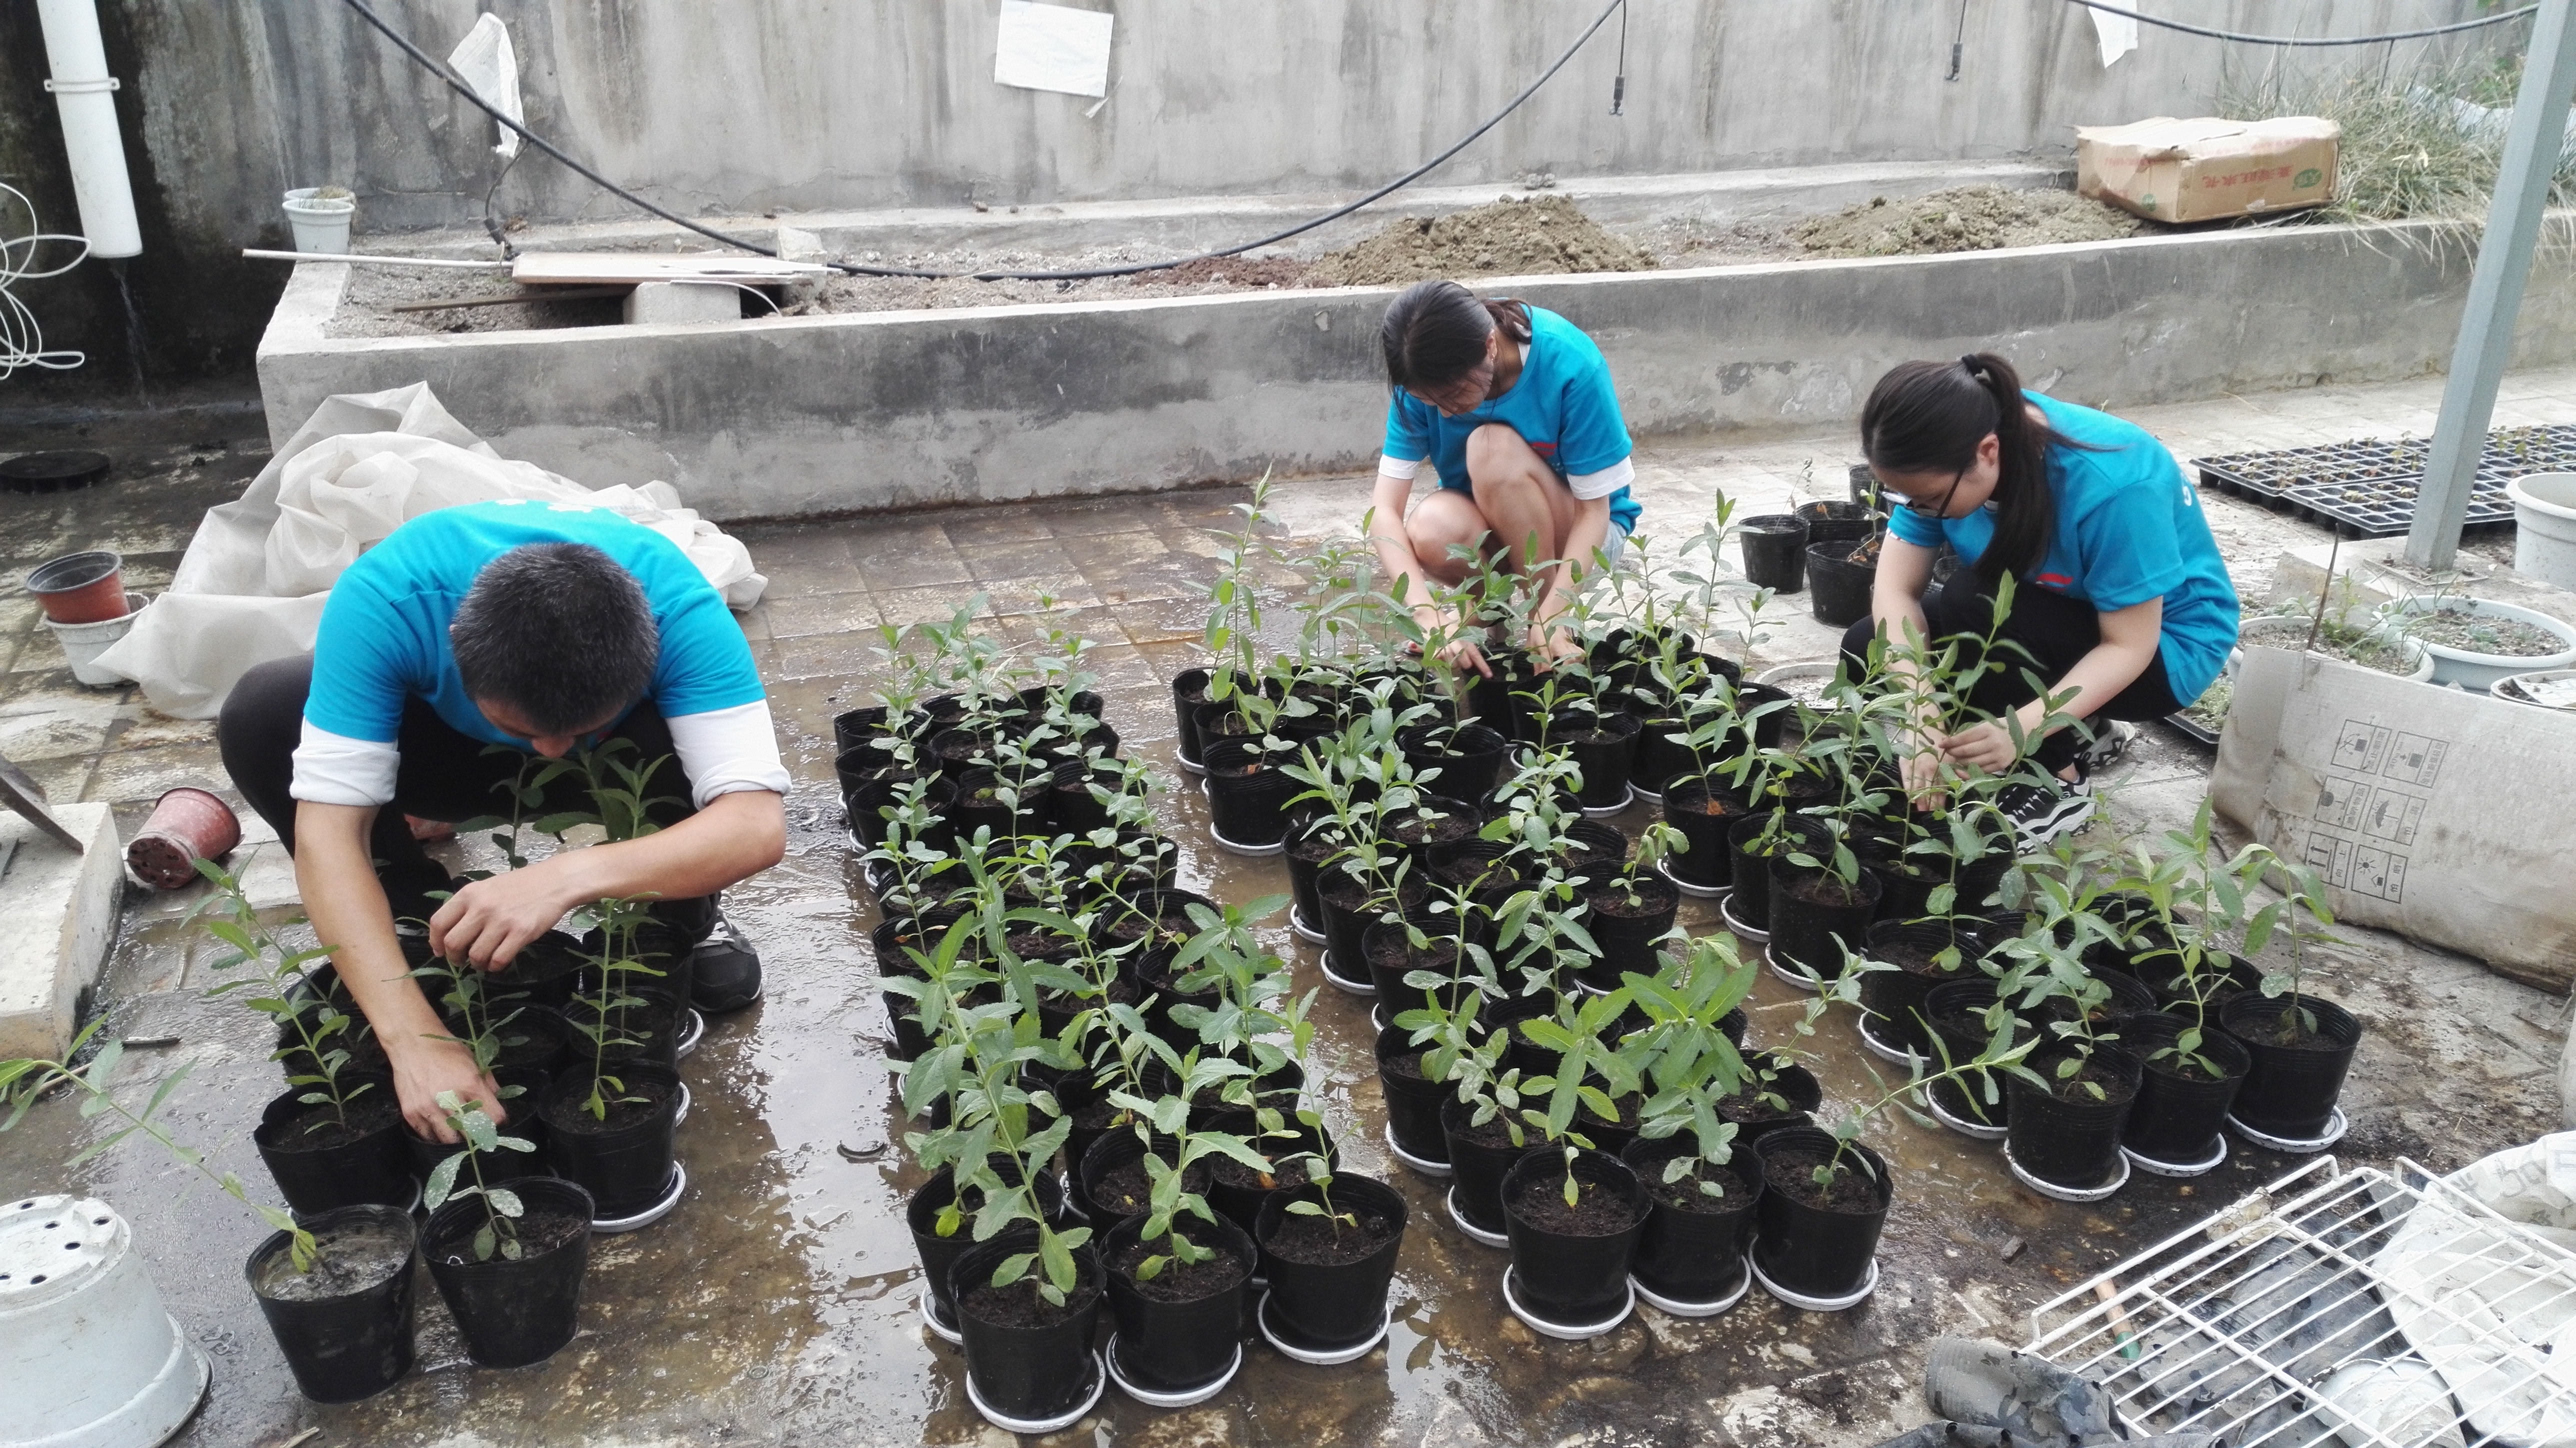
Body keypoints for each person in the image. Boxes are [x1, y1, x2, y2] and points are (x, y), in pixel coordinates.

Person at [218, 499, 789, 1142]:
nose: (550, 751)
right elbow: (327, 835)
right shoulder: (390, 597)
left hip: (613, 766)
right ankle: (411, 928)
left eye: (578, 728)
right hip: (452, 755)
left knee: (683, 751)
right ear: (453, 647)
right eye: (523, 728)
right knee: (265, 712)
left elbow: (755, 825)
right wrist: (414, 1040)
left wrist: (563, 878)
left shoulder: (678, 607)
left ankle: (679, 928)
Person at [1842, 352, 2239, 848]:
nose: (1920, 510)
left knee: (1976, 601)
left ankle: (2058, 781)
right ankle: (2082, 726)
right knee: (1866, 644)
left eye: (1929, 500)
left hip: (2162, 652)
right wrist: (1918, 709)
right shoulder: (1953, 441)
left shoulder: (2113, 486)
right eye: (1907, 499)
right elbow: (1895, 591)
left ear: (1988, 452)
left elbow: (2128, 646)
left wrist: (2020, 730)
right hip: (2057, 617)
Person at [1364, 279, 1642, 674]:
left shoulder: (1569, 362)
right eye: (1429, 401)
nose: (1445, 413)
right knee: (1430, 527)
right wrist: (1426, 614)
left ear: (1490, 347)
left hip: (1585, 537)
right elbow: (1384, 511)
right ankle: (1487, 613)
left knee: (1490, 448)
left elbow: (1595, 513)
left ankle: (1545, 622)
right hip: (1499, 529)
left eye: (1454, 396)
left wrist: (1553, 612)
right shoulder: (1421, 375)